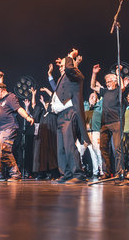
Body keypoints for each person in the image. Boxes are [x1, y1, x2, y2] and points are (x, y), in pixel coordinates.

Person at [48, 49, 90, 184]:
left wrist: (70, 57)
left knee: (69, 145)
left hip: (69, 113)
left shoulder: (76, 75)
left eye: (63, 65)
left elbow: (70, 69)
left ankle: (78, 174)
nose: (61, 68)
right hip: (60, 115)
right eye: (60, 66)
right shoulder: (62, 79)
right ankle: (66, 173)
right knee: (61, 147)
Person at [0, 77, 35, 181]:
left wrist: (27, 117)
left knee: (5, 150)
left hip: (9, 128)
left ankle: (15, 174)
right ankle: (0, 174)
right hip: (0, 130)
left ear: (1, 90)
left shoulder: (10, 97)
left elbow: (19, 109)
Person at [90, 64, 129, 179]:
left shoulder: (118, 90)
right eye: (106, 82)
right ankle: (106, 172)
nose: (107, 83)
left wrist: (118, 73)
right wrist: (94, 73)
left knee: (117, 148)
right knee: (103, 148)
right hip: (104, 123)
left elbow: (122, 87)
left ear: (115, 82)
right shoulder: (105, 92)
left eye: (109, 81)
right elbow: (92, 86)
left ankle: (119, 172)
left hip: (116, 122)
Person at [83, 91, 104, 177]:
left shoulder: (99, 107)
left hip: (95, 132)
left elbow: (103, 98)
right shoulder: (85, 106)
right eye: (90, 96)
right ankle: (91, 171)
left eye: (94, 97)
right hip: (86, 133)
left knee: (97, 151)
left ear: (97, 99)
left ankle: (101, 171)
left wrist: (98, 99)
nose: (92, 98)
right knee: (86, 152)